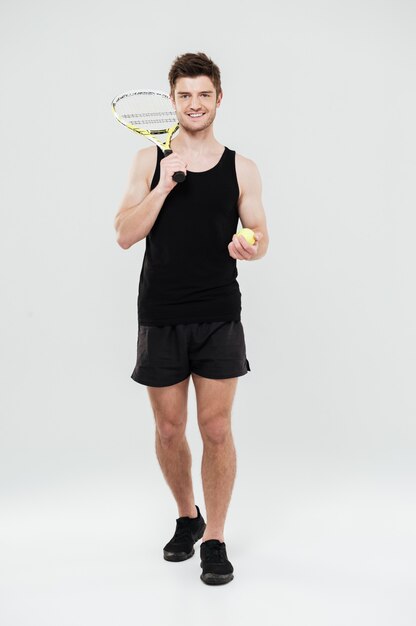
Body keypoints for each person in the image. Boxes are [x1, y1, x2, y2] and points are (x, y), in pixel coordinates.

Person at [114, 52, 269, 585]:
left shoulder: (241, 167)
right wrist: (164, 184)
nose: (195, 103)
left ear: (218, 98)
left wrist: (251, 247)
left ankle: (215, 537)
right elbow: (124, 234)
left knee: (217, 428)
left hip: (218, 313)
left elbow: (261, 234)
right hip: (160, 312)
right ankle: (187, 514)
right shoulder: (148, 161)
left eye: (204, 94)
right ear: (172, 100)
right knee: (168, 427)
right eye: (185, 95)